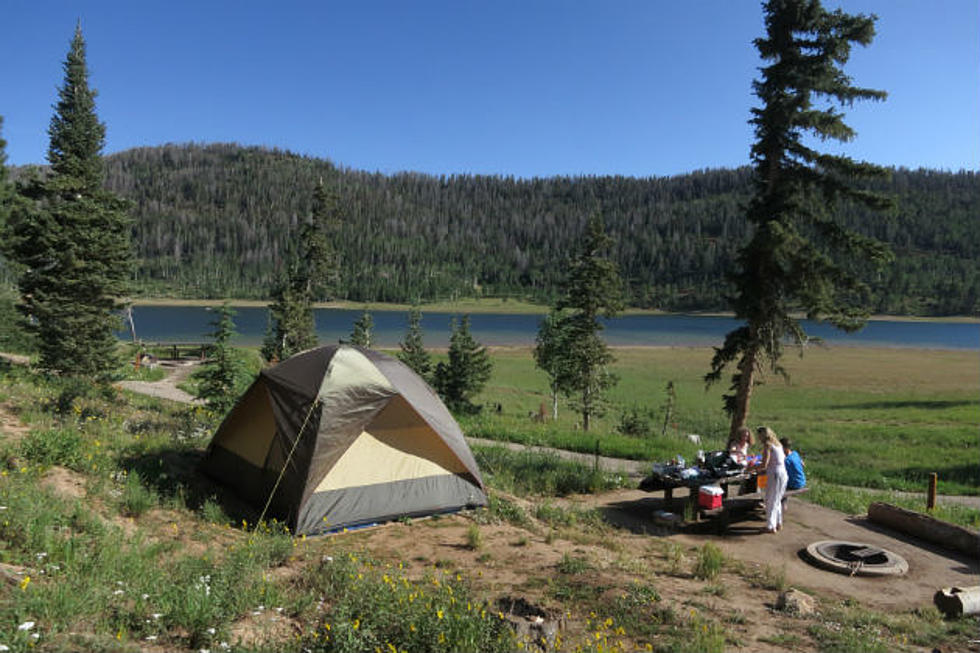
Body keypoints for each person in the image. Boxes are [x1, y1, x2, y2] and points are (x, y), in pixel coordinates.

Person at [758, 426, 788, 533]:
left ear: (763, 435)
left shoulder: (768, 446)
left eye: (759, 435)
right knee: (777, 499)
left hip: (775, 474)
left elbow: (764, 465)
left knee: (770, 500)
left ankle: (770, 526)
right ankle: (779, 523)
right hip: (783, 473)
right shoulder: (778, 444)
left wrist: (750, 468)